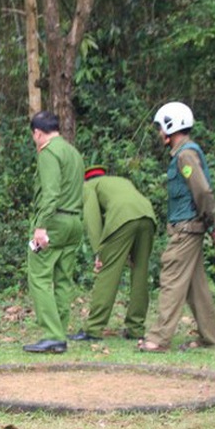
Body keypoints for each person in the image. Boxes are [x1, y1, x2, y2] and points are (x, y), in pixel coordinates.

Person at [139, 102, 215, 353]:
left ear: (170, 126)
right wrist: (209, 223)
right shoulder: (183, 154)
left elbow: (202, 190)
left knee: (172, 279)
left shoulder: (186, 155)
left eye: (160, 128)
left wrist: (212, 220)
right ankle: (209, 337)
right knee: (196, 286)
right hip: (190, 228)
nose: (158, 133)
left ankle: (159, 338)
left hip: (186, 229)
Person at [67, 165, 156, 342]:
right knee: (140, 272)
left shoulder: (88, 186)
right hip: (147, 216)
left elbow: (92, 217)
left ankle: (94, 329)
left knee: (108, 273)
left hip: (122, 217)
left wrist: (99, 251)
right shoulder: (121, 181)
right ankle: (136, 328)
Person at [23, 111, 85, 354]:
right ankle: (60, 331)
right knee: (62, 278)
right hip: (74, 222)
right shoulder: (73, 152)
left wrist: (41, 225)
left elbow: (50, 193)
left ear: (38, 133)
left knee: (38, 276)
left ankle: (52, 335)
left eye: (33, 136)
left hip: (54, 221)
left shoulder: (48, 152)